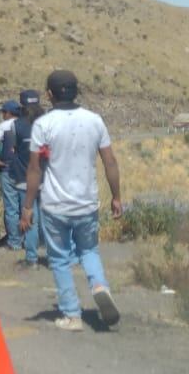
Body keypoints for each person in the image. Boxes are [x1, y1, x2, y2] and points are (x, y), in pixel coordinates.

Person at [22, 70, 122, 332]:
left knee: (59, 259)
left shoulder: (43, 124)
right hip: (86, 202)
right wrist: (116, 196)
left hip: (55, 205)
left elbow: (34, 170)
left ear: (49, 94)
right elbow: (109, 161)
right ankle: (99, 286)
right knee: (89, 251)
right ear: (77, 91)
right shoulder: (94, 120)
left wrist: (27, 206)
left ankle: (71, 314)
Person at [0, 100, 24, 255]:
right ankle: (29, 240)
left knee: (11, 208)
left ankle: (14, 242)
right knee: (26, 207)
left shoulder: (4, 126)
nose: (2, 115)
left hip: (8, 169)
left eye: (3, 112)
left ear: (9, 113)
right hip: (25, 170)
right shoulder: (27, 124)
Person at [13, 88, 45, 267]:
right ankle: (55, 256)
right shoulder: (48, 123)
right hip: (46, 179)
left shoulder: (16, 125)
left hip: (24, 179)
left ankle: (31, 258)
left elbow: (12, 150)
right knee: (48, 220)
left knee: (29, 218)